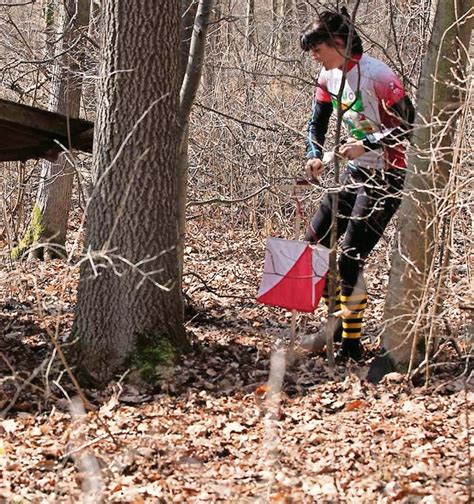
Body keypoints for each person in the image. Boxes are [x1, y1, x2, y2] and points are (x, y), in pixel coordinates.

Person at [300, 8, 415, 362]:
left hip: (387, 176)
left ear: (337, 43)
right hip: (353, 174)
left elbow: (412, 124)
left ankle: (350, 344)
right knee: (312, 247)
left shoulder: (378, 75)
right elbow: (316, 123)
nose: (314, 57)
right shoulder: (327, 76)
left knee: (350, 259)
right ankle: (333, 328)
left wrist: (368, 144)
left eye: (317, 49)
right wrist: (314, 153)